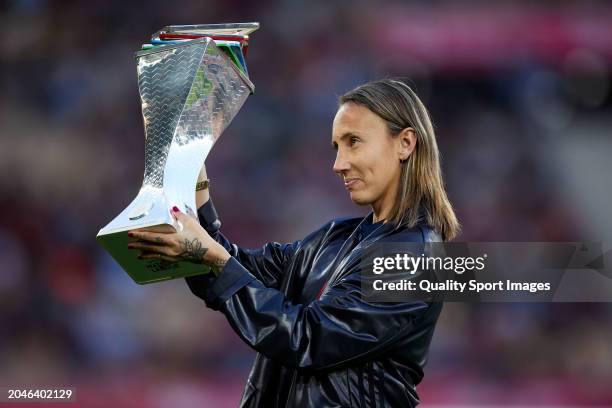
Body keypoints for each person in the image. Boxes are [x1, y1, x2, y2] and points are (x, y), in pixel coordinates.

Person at [127, 79, 460, 407]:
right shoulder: (336, 237)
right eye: (336, 147)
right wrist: (193, 180)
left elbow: (311, 339)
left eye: (354, 142)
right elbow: (239, 272)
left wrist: (216, 260)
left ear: (405, 143)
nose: (339, 164)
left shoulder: (415, 253)